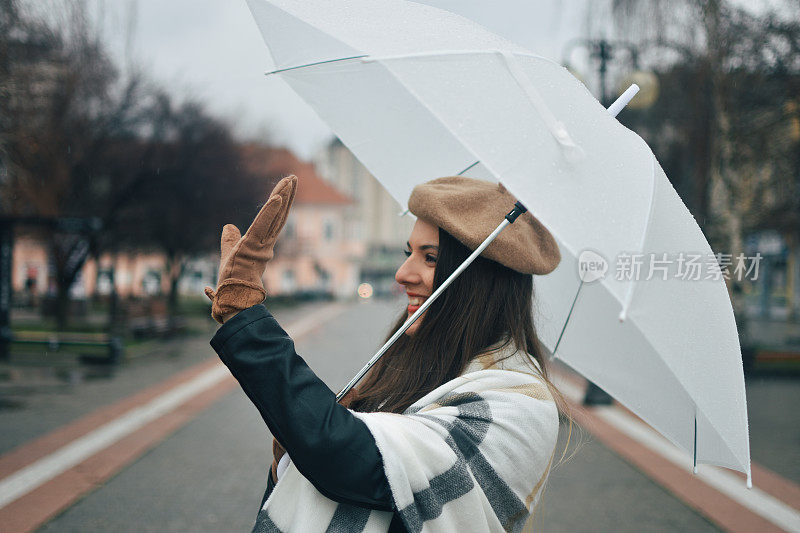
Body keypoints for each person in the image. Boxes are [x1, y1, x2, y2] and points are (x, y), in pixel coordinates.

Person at [205, 175, 567, 532]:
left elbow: (355, 464)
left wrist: (246, 321)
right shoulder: (428, 368)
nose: (402, 273)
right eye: (409, 253)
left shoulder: (521, 404)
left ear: (483, 281)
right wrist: (290, 458)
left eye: (430, 258)